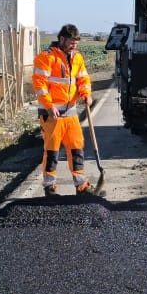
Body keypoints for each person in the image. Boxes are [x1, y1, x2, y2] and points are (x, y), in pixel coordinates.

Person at [33, 24, 94, 197]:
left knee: (76, 147)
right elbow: (39, 84)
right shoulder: (47, 57)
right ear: (62, 39)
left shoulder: (77, 58)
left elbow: (83, 79)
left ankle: (81, 185)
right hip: (51, 114)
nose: (74, 46)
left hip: (71, 113)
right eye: (71, 42)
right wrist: (49, 105)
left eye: (76, 43)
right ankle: (49, 186)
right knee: (52, 150)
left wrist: (86, 94)